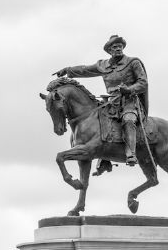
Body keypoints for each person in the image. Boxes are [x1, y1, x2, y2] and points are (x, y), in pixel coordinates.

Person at [54, 35, 148, 166]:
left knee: (128, 120)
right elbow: (85, 69)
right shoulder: (103, 65)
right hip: (111, 102)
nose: (118, 49)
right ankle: (104, 160)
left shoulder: (133, 62)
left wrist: (129, 89)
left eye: (120, 47)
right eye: (115, 47)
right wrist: (68, 70)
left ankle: (131, 153)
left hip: (130, 101)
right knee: (97, 123)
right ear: (109, 50)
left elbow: (143, 83)